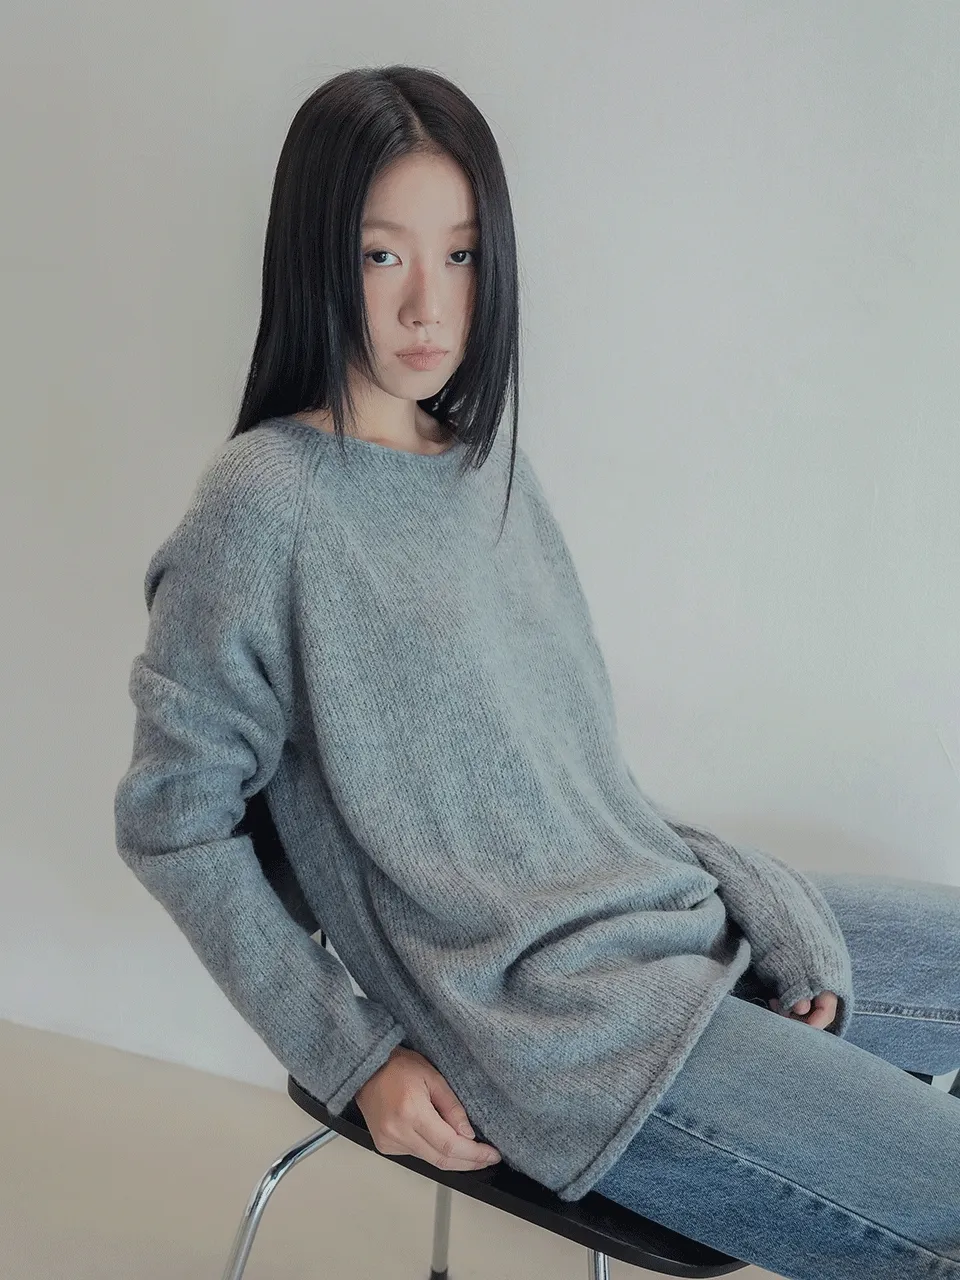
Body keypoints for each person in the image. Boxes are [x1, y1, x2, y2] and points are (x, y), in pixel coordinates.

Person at [113, 65, 960, 1278]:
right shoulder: (264, 505)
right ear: (315, 257)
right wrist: (353, 1056)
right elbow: (173, 823)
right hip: (561, 1035)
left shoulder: (482, 466)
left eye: (459, 255)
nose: (427, 305)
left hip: (663, 917)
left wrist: (758, 895)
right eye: (381, 254)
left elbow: (577, 788)